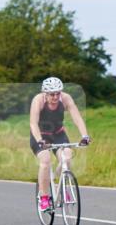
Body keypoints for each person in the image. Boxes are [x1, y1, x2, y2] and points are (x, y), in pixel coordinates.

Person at [30, 77, 91, 210]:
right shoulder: (38, 100)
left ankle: (59, 183)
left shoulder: (66, 98)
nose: (56, 97)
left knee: (67, 157)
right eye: (52, 94)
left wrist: (85, 135)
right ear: (45, 93)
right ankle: (44, 197)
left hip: (58, 134)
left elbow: (77, 117)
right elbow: (33, 123)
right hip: (40, 136)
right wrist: (40, 140)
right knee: (45, 161)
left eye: (58, 93)